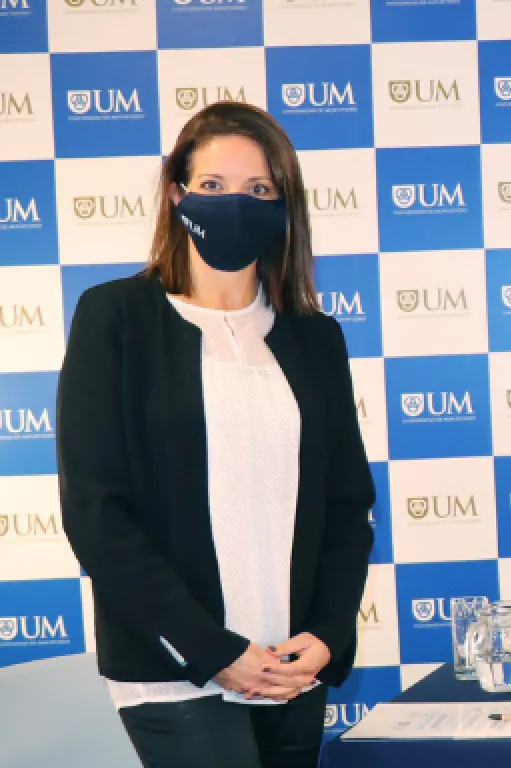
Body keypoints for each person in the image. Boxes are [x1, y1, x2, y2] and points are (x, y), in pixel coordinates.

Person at [59, 102, 376, 768]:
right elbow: (97, 516)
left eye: (259, 190)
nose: (236, 204)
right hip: (173, 672)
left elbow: (349, 508)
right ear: (176, 194)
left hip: (292, 670)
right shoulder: (115, 319)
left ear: (283, 203)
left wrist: (327, 634)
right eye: (212, 187)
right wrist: (213, 651)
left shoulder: (315, 337)